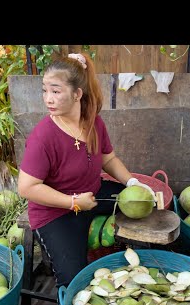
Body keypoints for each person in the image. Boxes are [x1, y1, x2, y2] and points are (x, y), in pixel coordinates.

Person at [17, 52, 155, 290]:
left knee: (147, 203)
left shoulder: (93, 122)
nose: (47, 98)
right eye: (44, 90)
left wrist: (132, 182)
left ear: (77, 94)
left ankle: (140, 269)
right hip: (55, 212)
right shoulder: (43, 137)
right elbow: (26, 188)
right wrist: (73, 203)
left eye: (56, 91)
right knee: (74, 283)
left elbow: (108, 159)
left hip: (92, 193)